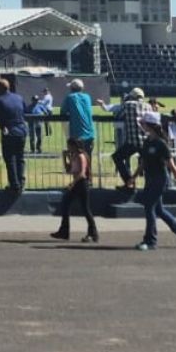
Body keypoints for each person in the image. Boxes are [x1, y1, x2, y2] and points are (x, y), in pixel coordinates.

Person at [125, 111, 176, 250]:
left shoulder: (161, 144)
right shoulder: (147, 142)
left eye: (143, 123)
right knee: (159, 210)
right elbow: (143, 163)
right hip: (150, 179)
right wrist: (133, 177)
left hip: (160, 179)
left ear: (150, 125)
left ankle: (150, 240)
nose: (141, 125)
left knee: (149, 207)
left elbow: (171, 165)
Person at [52, 80, 97, 243]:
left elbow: (63, 111)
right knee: (86, 162)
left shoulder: (70, 98)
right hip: (90, 134)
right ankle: (86, 181)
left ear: (72, 88)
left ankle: (80, 183)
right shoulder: (87, 97)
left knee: (78, 164)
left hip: (78, 135)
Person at [0, 76, 28, 191]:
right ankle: (21, 182)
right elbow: (25, 110)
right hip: (22, 131)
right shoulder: (19, 97)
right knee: (20, 158)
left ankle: (14, 184)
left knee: (10, 159)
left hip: (8, 132)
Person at [110, 87, 148, 184]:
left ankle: (128, 181)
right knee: (148, 162)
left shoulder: (128, 104)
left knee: (117, 157)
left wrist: (124, 102)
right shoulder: (148, 106)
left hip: (133, 142)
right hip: (146, 142)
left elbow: (118, 116)